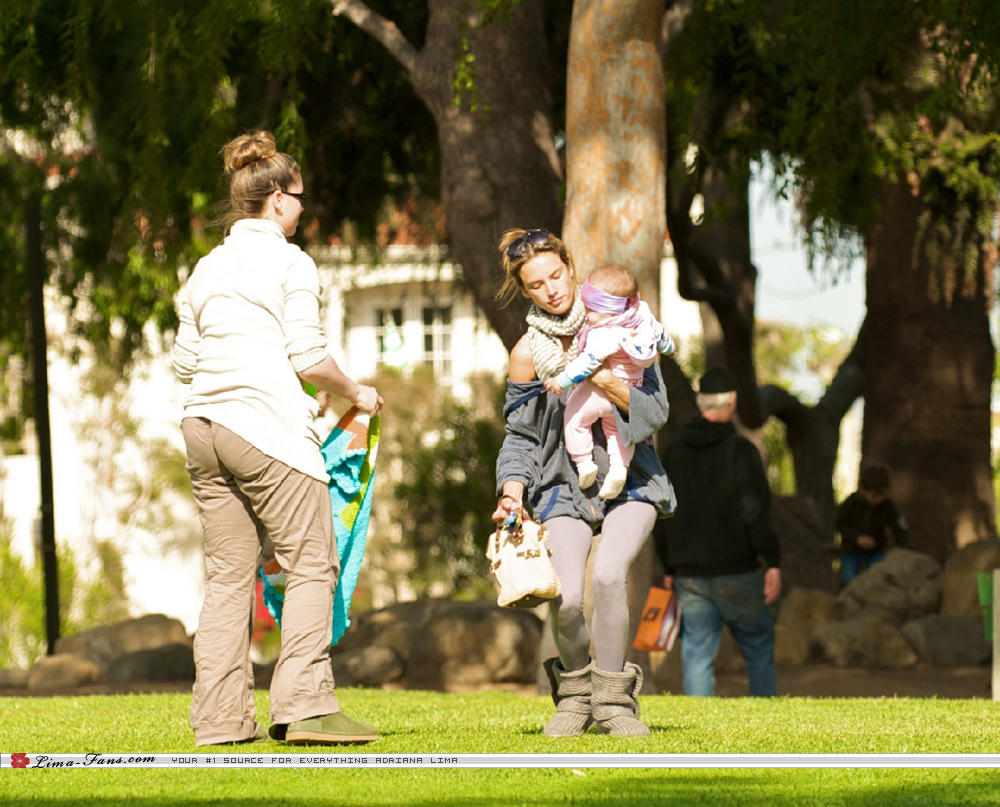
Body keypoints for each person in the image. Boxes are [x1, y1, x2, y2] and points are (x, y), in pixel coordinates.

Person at [172, 130, 384, 746]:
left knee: (228, 578)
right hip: (262, 429)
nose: (303, 206)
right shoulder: (292, 262)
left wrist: (273, 380)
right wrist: (354, 393)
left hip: (202, 428)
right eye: (300, 196)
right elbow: (310, 355)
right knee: (311, 564)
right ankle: (306, 706)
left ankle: (219, 721)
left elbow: (187, 363)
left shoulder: (207, 266)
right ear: (277, 200)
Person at [492, 228, 675, 737]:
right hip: (559, 487)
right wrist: (512, 490)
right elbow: (521, 435)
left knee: (610, 576)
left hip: (631, 480)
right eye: (536, 285)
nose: (551, 289)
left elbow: (656, 411)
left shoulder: (627, 324)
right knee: (568, 597)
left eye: (555, 275)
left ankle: (615, 704)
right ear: (525, 292)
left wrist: (598, 375)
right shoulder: (528, 353)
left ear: (571, 268)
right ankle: (575, 698)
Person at [654, 367, 781, 698]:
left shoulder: (673, 453)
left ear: (700, 403)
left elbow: (662, 514)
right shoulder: (741, 451)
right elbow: (756, 511)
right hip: (738, 570)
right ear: (733, 402)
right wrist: (771, 560)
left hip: (689, 575)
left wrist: (667, 566)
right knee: (758, 647)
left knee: (696, 654)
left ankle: (701, 729)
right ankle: (766, 716)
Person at [542, 264, 675, 500]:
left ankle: (584, 464)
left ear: (607, 310)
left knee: (574, 419)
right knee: (617, 431)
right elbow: (663, 338)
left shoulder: (604, 333)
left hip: (599, 393)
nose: (586, 313)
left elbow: (586, 364)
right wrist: (670, 348)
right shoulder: (642, 317)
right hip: (630, 389)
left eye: (590, 309)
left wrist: (560, 381)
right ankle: (619, 470)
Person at [836, 465, 909, 587]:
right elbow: (840, 523)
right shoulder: (853, 502)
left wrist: (903, 549)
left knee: (877, 581)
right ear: (863, 490)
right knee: (849, 582)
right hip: (852, 550)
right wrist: (857, 537)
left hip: (876, 552)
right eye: (875, 495)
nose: (879, 499)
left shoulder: (888, 506)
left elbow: (899, 527)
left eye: (883, 495)